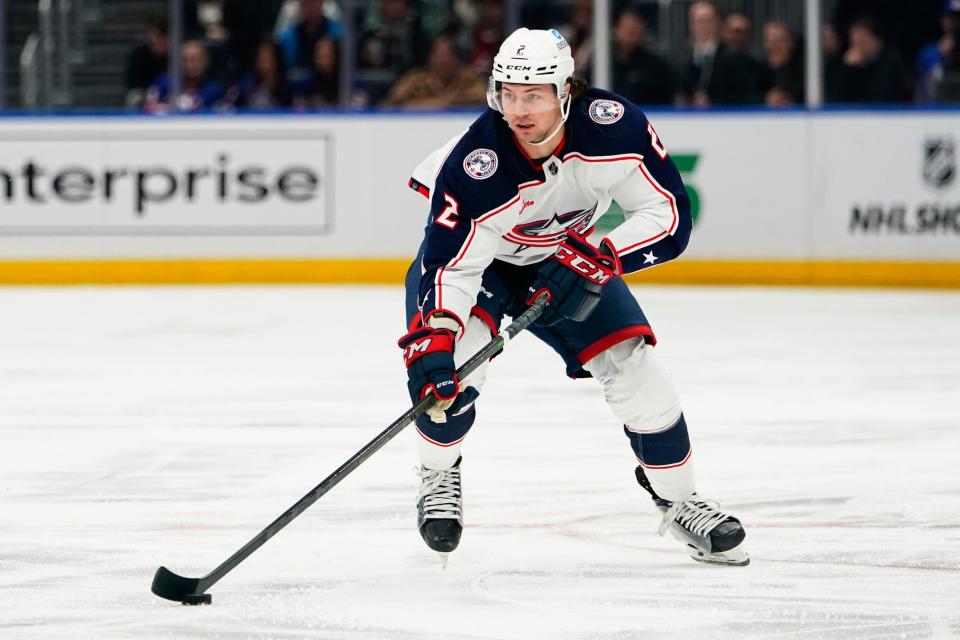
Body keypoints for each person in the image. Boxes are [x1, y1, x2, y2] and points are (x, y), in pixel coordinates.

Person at [399, 27, 749, 567]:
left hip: (570, 255)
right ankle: (438, 475)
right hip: (485, 267)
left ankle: (681, 502)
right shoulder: (475, 165)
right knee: (454, 372)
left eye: (534, 94)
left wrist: (596, 253)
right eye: (508, 93)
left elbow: (669, 218)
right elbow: (452, 264)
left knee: (637, 368)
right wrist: (437, 339)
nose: (519, 109)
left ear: (567, 92)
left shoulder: (615, 128)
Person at [679, 1, 763, 106]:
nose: (704, 26)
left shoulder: (735, 57)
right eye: (699, 21)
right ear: (691, 25)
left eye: (708, 21)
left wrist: (713, 102)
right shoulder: (680, 58)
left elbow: (744, 94)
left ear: (718, 22)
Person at [382, 36, 486, 108]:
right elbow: (389, 104)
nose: (444, 61)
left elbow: (485, 101)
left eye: (448, 55)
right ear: (430, 58)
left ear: (456, 58)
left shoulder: (469, 78)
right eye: (439, 55)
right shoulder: (415, 80)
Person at [830, 16, 908, 103]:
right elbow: (836, 97)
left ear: (877, 41)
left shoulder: (891, 64)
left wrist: (861, 69)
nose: (858, 47)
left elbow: (879, 97)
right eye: (854, 42)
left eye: (862, 41)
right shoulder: (846, 65)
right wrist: (848, 69)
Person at [610, 8, 676, 106]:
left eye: (635, 32)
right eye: (628, 31)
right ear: (616, 30)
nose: (631, 38)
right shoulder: (603, 63)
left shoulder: (656, 66)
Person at [144, 40, 226, 113]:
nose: (189, 65)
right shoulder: (162, 84)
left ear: (205, 61)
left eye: (194, 60)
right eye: (184, 60)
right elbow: (148, 109)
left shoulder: (215, 90)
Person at [125, 13, 170, 108]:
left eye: (160, 35)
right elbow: (133, 81)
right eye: (151, 34)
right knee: (134, 96)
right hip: (147, 93)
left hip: (170, 92)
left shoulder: (175, 54)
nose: (155, 39)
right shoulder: (140, 54)